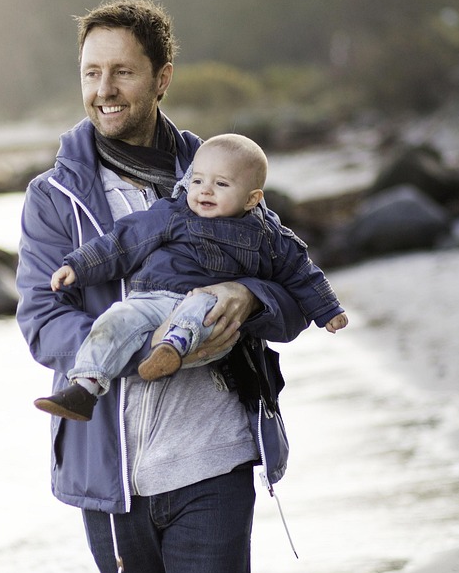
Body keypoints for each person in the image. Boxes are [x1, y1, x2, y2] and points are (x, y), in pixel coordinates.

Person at [15, 0, 310, 573]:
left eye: (122, 71)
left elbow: (292, 292)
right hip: (108, 480)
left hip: (210, 462)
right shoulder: (53, 197)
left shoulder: (221, 174)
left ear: (161, 78)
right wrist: (131, 343)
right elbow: (40, 318)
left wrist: (247, 296)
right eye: (91, 73)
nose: (104, 90)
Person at [33, 132, 346, 422]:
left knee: (205, 303)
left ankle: (172, 345)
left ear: (252, 199)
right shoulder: (173, 213)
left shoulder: (267, 234)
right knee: (115, 318)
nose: (205, 190)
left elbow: (301, 273)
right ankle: (84, 387)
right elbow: (123, 243)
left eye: (221, 184)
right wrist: (79, 265)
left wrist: (327, 310)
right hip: (152, 299)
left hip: (205, 315)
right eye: (197, 180)